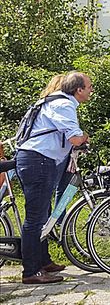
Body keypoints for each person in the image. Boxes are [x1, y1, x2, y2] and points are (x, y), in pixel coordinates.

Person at [16, 72, 92, 284]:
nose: (91, 91)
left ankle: (43, 260)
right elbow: (75, 138)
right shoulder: (64, 105)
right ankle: (31, 271)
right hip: (39, 161)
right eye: (89, 87)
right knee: (35, 219)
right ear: (78, 89)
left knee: (43, 214)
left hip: (36, 159)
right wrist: (85, 137)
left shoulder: (52, 101)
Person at [40, 74, 71, 224]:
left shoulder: (48, 103)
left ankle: (57, 220)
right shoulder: (60, 104)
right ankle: (53, 221)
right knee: (56, 188)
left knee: (63, 187)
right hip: (56, 152)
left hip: (65, 151)